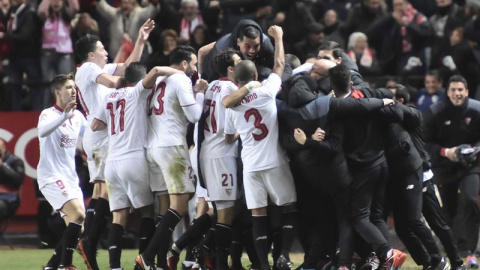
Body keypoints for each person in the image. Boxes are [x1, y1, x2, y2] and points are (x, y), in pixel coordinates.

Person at [74, 19, 155, 270]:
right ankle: (88, 240)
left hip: (103, 132)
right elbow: (114, 81)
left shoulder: (98, 68)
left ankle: (89, 240)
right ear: (91, 54)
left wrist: (140, 40)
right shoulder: (87, 68)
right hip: (98, 134)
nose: (106, 52)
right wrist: (137, 84)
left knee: (102, 192)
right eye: (102, 49)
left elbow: (127, 67)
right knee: (106, 193)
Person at [91, 62, 180, 270]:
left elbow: (96, 125)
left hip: (111, 163)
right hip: (133, 158)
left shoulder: (109, 96)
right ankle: (144, 261)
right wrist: (179, 73)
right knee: (147, 212)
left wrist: (115, 126)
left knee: (119, 216)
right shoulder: (137, 93)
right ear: (141, 80)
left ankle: (115, 267)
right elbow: (157, 70)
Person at [224, 25, 297, 270]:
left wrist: (242, 132)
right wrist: (279, 37)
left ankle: (262, 266)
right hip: (274, 160)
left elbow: (228, 137)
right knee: (288, 207)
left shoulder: (233, 106)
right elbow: (278, 65)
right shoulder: (266, 91)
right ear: (255, 76)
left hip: (251, 165)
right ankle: (284, 256)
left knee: (258, 215)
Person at [135, 45, 209, 270]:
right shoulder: (180, 80)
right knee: (181, 202)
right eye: (194, 65)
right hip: (172, 146)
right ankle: (147, 258)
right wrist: (201, 92)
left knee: (168, 205)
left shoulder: (157, 82)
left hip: (152, 147)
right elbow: (194, 115)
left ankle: (157, 262)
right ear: (184, 64)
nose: (194, 69)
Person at [423, 75, 480, 267]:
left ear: (466, 92)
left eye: (460, 90)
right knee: (449, 211)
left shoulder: (477, 110)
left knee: (471, 200)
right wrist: (446, 152)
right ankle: (456, 252)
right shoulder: (435, 112)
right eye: (453, 90)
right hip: (444, 167)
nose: (457, 93)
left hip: (470, 166)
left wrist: (475, 150)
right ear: (447, 92)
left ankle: (471, 252)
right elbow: (425, 142)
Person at [38, 74, 88, 270]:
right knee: (78, 215)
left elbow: (90, 135)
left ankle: (50, 266)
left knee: (78, 228)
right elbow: (42, 132)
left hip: (70, 178)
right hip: (51, 177)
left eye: (74, 87)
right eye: (68, 87)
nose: (73, 90)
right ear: (57, 92)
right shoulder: (48, 114)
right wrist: (64, 117)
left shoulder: (78, 116)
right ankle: (65, 265)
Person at [199, 19, 274, 82]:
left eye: (256, 46)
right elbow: (213, 77)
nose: (252, 51)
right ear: (238, 42)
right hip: (220, 77)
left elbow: (276, 68)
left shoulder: (266, 44)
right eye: (247, 46)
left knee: (267, 73)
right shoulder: (222, 49)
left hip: (252, 74)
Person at [0, 139, 24, 220]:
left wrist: (3, 166)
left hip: (8, 200)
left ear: (3, 148)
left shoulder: (15, 162)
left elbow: (18, 180)